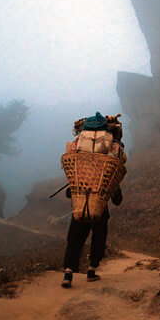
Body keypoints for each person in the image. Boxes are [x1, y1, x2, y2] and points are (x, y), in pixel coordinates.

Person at [61, 112, 125, 289]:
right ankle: (91, 269)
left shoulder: (79, 159)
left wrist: (74, 190)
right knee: (99, 236)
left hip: (80, 203)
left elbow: (71, 189)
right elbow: (116, 193)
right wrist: (115, 193)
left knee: (75, 238)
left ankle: (68, 273)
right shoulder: (110, 160)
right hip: (100, 205)